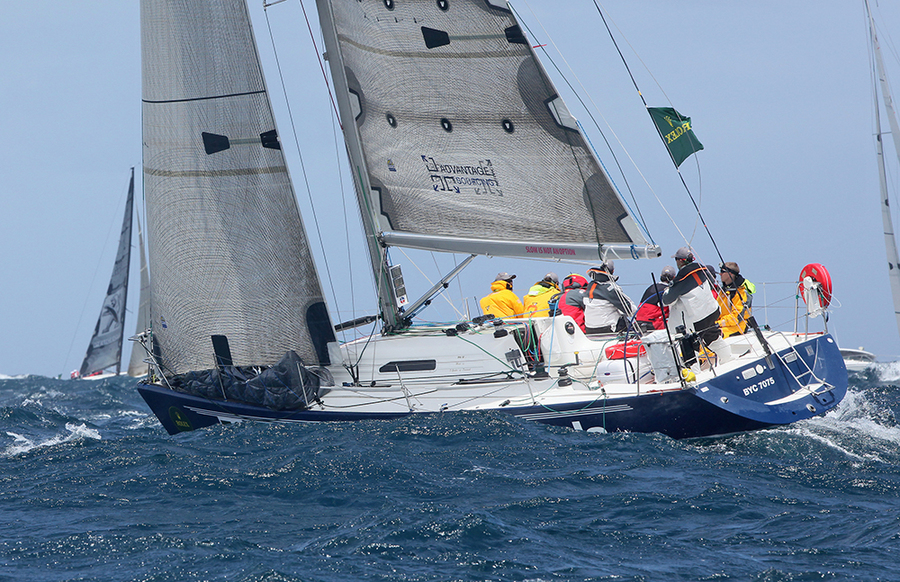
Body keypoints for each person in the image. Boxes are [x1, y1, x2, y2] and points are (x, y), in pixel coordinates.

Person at [661, 246, 731, 363]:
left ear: (680, 261)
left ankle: (694, 373)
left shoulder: (681, 280)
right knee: (712, 337)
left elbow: (667, 300)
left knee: (690, 346)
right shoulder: (702, 269)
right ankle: (728, 359)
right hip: (713, 312)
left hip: (698, 319)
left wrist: (669, 290)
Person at [583, 261, 636, 334]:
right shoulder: (610, 288)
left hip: (589, 329)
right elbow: (629, 309)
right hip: (608, 328)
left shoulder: (590, 286)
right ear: (612, 271)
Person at [716, 261, 757, 337]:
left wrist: (718, 323)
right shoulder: (723, 290)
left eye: (722, 271)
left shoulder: (740, 292)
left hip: (737, 327)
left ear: (730, 274)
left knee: (711, 338)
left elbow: (737, 317)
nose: (720, 274)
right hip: (722, 325)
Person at [634, 265, 675, 331]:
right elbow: (673, 311)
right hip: (654, 324)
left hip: (638, 323)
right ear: (673, 277)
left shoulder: (650, 288)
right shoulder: (668, 291)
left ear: (661, 276)